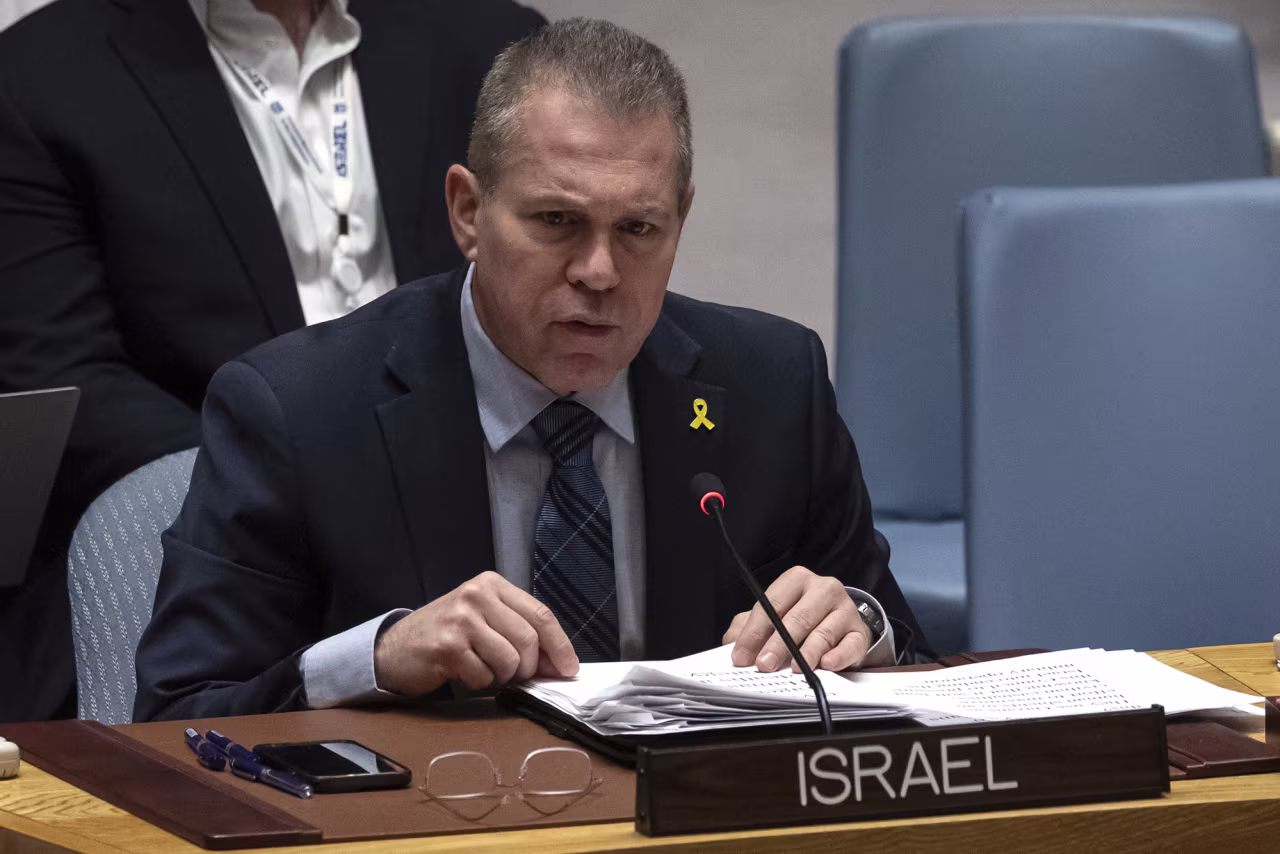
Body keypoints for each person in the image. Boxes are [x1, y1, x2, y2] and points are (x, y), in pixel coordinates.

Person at [134, 18, 929, 722]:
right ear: (468, 212)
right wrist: (375, 659)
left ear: (680, 217)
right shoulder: (297, 411)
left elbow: (917, 667)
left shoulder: (772, 386)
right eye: (557, 221)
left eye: (639, 228)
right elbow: (178, 712)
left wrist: (859, 622)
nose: (599, 271)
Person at [0, 0, 545, 722]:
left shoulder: (491, 42)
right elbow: (69, 380)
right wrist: (313, 490)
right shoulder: (40, 74)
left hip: (474, 529)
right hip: (214, 545)